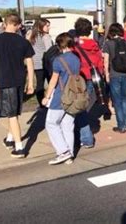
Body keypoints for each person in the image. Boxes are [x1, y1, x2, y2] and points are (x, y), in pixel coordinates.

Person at [0, 14, 35, 158]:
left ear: (5, 24)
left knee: (12, 114)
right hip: (19, 80)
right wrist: (31, 83)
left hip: (4, 80)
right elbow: (30, 63)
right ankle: (9, 139)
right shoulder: (23, 42)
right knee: (12, 111)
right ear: (18, 25)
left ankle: (19, 147)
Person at [41, 33, 79, 165]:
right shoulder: (76, 59)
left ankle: (63, 152)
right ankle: (70, 154)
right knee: (68, 125)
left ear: (59, 45)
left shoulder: (58, 60)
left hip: (61, 96)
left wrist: (47, 96)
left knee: (51, 123)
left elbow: (53, 80)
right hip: (74, 95)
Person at [72, 18, 103, 148]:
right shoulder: (95, 45)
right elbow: (99, 62)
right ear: (90, 30)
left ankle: (85, 137)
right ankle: (83, 134)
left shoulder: (75, 46)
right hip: (92, 77)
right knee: (85, 106)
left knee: (80, 108)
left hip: (80, 77)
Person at [103, 23, 126, 133]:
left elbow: (106, 61)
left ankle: (121, 126)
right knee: (124, 98)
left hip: (114, 74)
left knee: (117, 101)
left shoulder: (108, 44)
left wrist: (106, 74)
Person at [26, 18, 53, 107]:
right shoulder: (45, 36)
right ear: (41, 26)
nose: (49, 28)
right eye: (47, 26)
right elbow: (49, 50)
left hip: (35, 63)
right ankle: (51, 101)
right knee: (51, 83)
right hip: (46, 63)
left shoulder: (31, 34)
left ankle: (41, 104)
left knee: (39, 84)